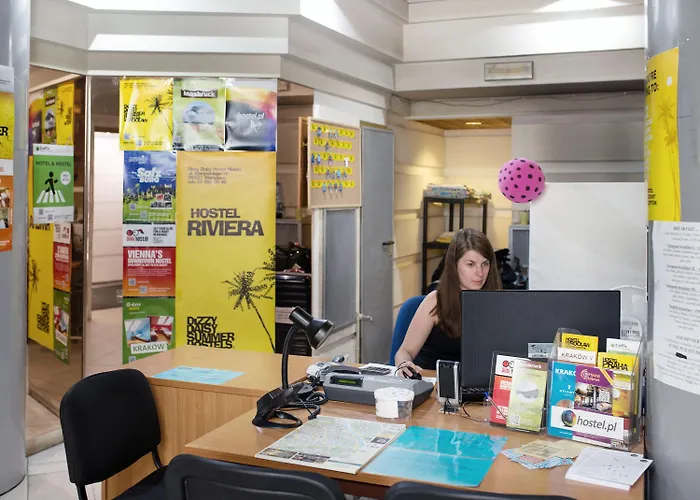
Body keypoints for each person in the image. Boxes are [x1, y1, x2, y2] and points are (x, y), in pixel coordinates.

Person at [394, 228, 502, 377]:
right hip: (433, 382)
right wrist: (404, 364)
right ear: (454, 265)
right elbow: (404, 352)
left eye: (485, 264)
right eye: (470, 264)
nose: (480, 272)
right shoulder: (435, 301)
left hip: (478, 385)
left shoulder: (498, 302)